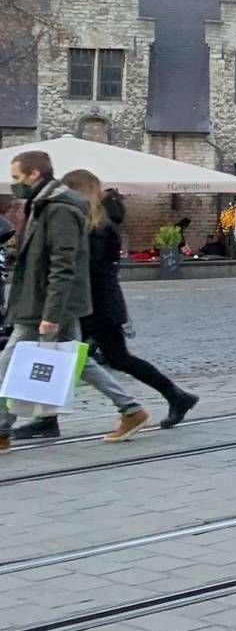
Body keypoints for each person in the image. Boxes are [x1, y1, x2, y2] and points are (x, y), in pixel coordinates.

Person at [0, 151, 149, 450]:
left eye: (17, 177)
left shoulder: (61, 208)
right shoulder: (42, 204)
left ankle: (1, 430)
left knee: (7, 364)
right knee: (76, 361)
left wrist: (51, 313)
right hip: (45, 302)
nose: (14, 184)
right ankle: (131, 409)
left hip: (46, 305)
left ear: (34, 174)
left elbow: (63, 264)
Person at [62, 171, 199, 429]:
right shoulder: (94, 223)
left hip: (98, 303)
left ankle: (168, 398)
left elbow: (90, 267)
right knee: (95, 357)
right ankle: (173, 397)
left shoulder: (97, 227)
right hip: (96, 302)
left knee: (106, 357)